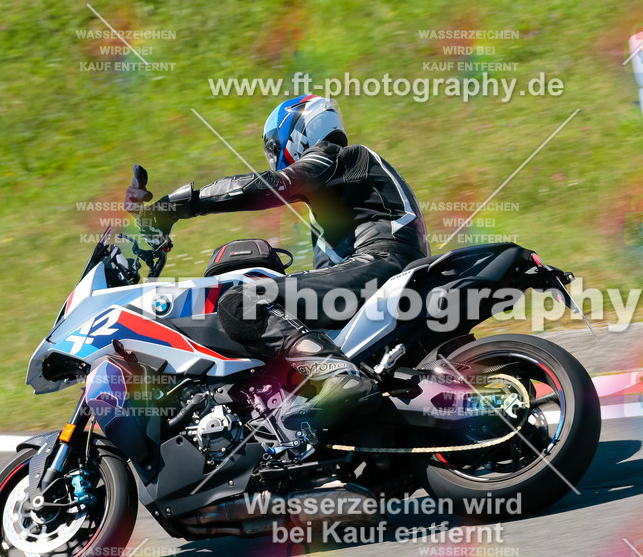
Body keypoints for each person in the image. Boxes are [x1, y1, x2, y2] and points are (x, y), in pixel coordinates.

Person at [125, 95, 429, 458]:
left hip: (381, 264)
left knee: (241, 300)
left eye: (274, 146)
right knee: (280, 310)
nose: (275, 155)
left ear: (300, 130)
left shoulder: (337, 156)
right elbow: (320, 278)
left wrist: (184, 203)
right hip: (378, 270)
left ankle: (337, 376)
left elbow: (272, 186)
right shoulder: (334, 197)